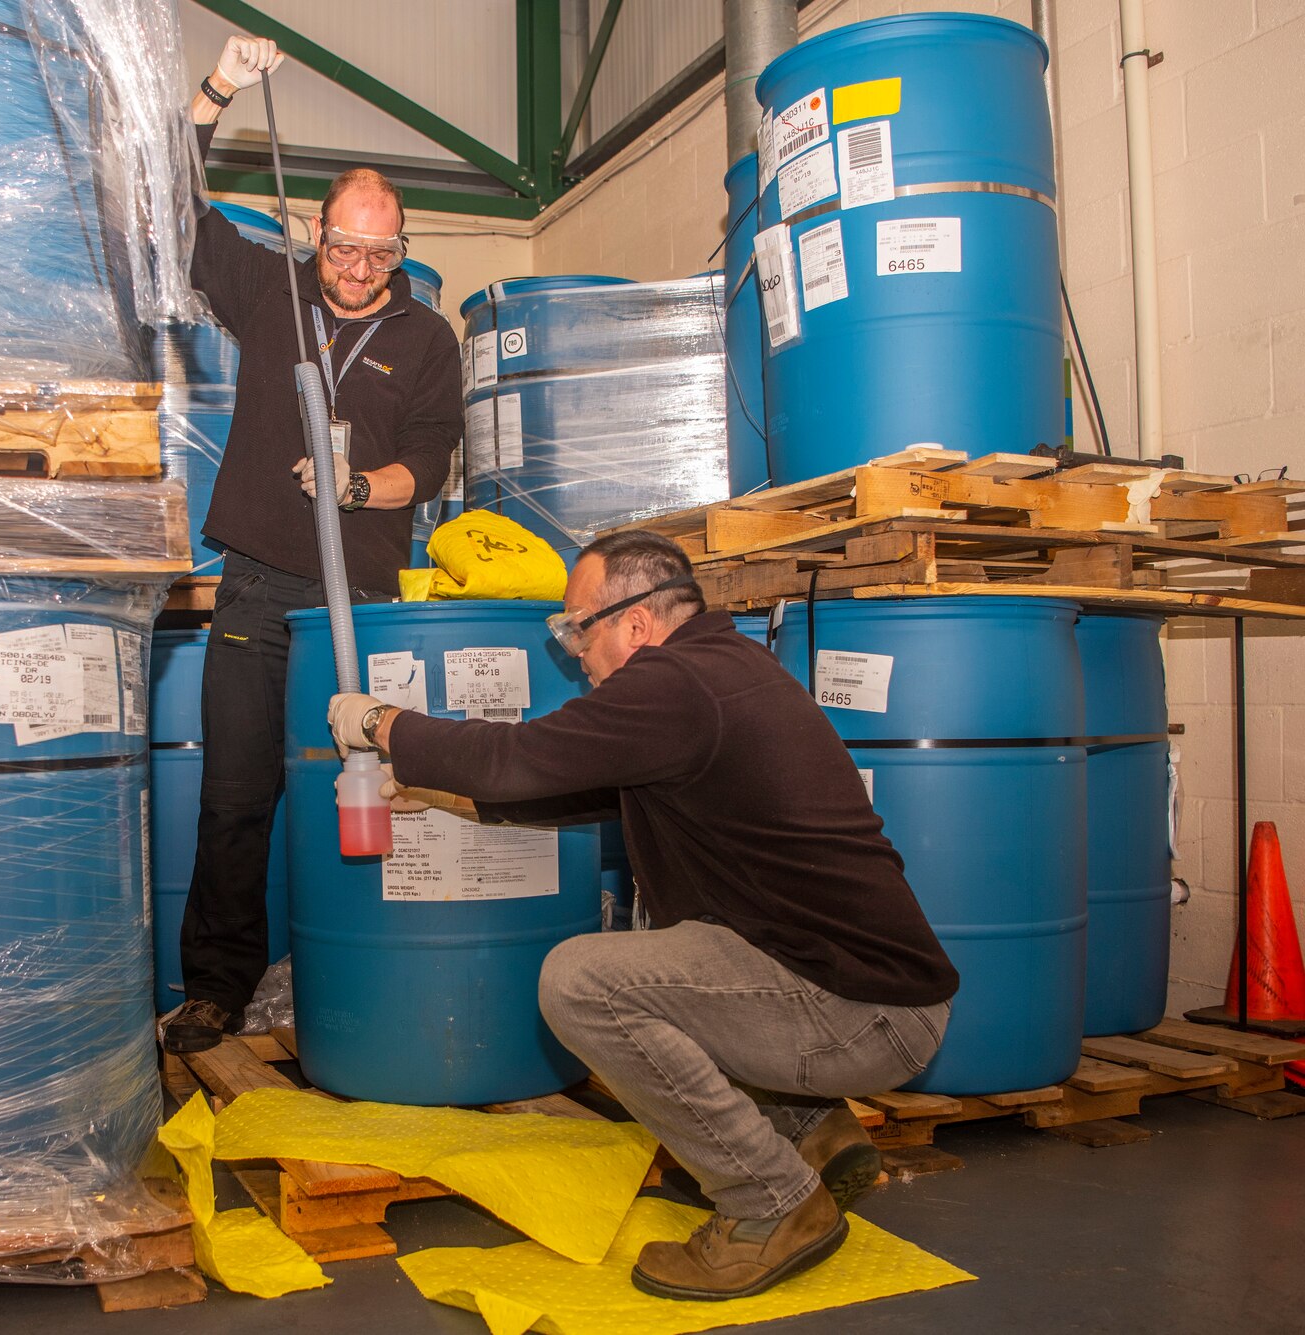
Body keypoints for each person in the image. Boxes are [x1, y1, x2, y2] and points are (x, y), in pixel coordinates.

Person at [325, 529, 959, 1301]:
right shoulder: (715, 674)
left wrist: (380, 723)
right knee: (669, 952)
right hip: (855, 988)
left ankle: (770, 1204)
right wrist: (426, 788)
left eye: (575, 629)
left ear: (634, 622)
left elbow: (519, 756)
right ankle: (812, 1132)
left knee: (583, 980)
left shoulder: (676, 682)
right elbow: (553, 792)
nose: (575, 654)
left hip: (863, 1012)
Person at [164, 36, 463, 1054]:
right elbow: (168, 201)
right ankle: (216, 987)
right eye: (342, 248)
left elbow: (430, 457)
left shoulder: (425, 340)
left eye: (380, 255)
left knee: (371, 784)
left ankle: (372, 971)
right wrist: (215, 92)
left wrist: (359, 484)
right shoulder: (269, 293)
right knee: (237, 797)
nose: (358, 270)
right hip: (256, 591)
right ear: (314, 231)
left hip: (363, 600)